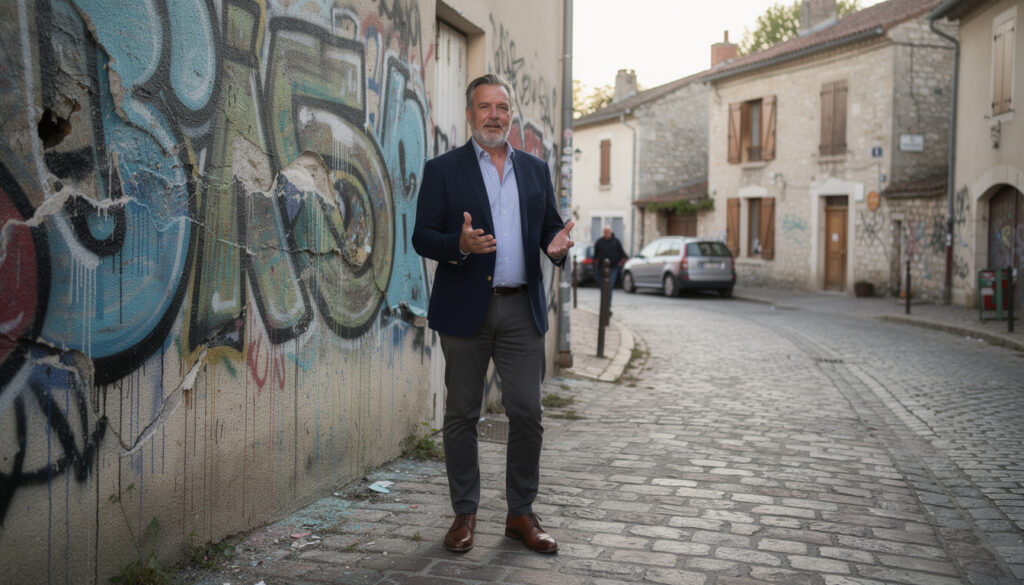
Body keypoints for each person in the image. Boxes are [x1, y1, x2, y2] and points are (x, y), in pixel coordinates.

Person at [411, 73, 574, 555]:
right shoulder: (443, 170)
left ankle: (520, 513)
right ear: (470, 114)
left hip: (521, 308)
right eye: (485, 107)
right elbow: (422, 237)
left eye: (502, 107)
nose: (494, 116)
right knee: (462, 413)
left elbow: (550, 232)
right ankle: (465, 512)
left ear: (511, 115)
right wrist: (458, 245)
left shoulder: (535, 170)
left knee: (527, 412)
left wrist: (558, 248)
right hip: (465, 309)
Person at [593, 226, 628, 301]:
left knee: (609, 286)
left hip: (613, 267)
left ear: (610, 232)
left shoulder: (616, 241)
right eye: (605, 232)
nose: (606, 234)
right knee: (602, 286)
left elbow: (622, 254)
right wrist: (595, 267)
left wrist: (620, 264)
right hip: (601, 267)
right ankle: (604, 303)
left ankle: (607, 304)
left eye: (608, 232)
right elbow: (595, 256)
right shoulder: (599, 242)